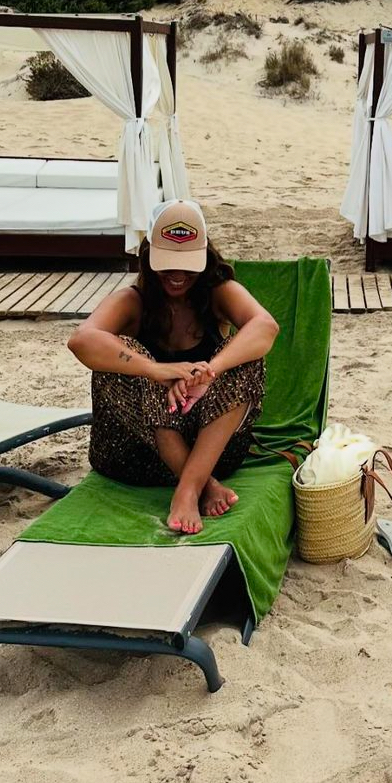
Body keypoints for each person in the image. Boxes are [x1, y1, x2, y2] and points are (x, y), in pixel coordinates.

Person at [67, 198, 278, 535]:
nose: (177, 274)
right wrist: (157, 371)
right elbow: (81, 340)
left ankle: (188, 487)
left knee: (246, 358)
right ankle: (200, 485)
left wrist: (211, 372)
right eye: (167, 262)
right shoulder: (131, 301)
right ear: (148, 255)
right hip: (135, 455)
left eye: (188, 264)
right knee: (123, 354)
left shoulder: (218, 293)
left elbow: (265, 327)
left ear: (205, 258)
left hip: (211, 451)